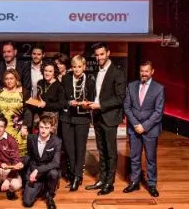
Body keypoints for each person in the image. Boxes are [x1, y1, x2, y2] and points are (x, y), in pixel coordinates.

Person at [85, 42, 126, 195]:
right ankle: (102, 179)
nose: (99, 57)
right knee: (101, 150)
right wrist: (90, 104)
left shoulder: (117, 73)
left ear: (108, 53)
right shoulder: (97, 71)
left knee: (111, 152)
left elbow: (120, 98)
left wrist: (100, 105)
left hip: (109, 117)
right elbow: (97, 94)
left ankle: (110, 183)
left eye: (102, 54)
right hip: (97, 116)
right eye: (97, 55)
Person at [123, 61, 164, 198]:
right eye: (142, 71)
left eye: (147, 71)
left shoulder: (159, 88)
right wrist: (136, 124)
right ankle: (134, 182)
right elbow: (127, 107)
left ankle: (151, 184)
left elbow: (158, 112)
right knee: (134, 157)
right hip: (134, 128)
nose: (144, 74)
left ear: (152, 72)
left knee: (150, 159)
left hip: (150, 130)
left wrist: (144, 126)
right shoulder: (131, 86)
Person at [60, 55, 95, 191]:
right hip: (67, 118)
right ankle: (74, 174)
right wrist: (69, 102)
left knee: (80, 149)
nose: (76, 69)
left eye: (79, 66)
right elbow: (61, 99)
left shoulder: (90, 81)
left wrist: (87, 104)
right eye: (74, 67)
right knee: (69, 149)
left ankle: (77, 176)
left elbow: (92, 99)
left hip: (82, 118)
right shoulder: (66, 78)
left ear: (84, 67)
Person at [22, 113, 62, 209]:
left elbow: (56, 163)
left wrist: (38, 170)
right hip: (34, 172)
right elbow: (29, 155)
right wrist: (21, 163)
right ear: (38, 127)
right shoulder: (31, 138)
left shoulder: (57, 141)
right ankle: (42, 187)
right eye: (41, 127)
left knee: (54, 173)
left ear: (51, 128)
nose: (43, 130)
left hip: (48, 171)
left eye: (46, 128)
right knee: (27, 202)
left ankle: (49, 195)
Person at [0, 69, 31, 157]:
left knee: (17, 157)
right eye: (6, 79)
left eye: (11, 78)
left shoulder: (24, 92)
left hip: (18, 130)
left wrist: (25, 127)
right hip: (2, 129)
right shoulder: (0, 91)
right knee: (2, 155)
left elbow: (28, 111)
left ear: (16, 79)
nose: (9, 81)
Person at [26, 62, 65, 131]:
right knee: (36, 136)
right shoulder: (40, 82)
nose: (47, 73)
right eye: (45, 70)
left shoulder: (59, 86)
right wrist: (32, 102)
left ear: (54, 73)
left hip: (51, 119)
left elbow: (61, 105)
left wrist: (46, 104)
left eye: (50, 71)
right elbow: (37, 99)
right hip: (38, 116)